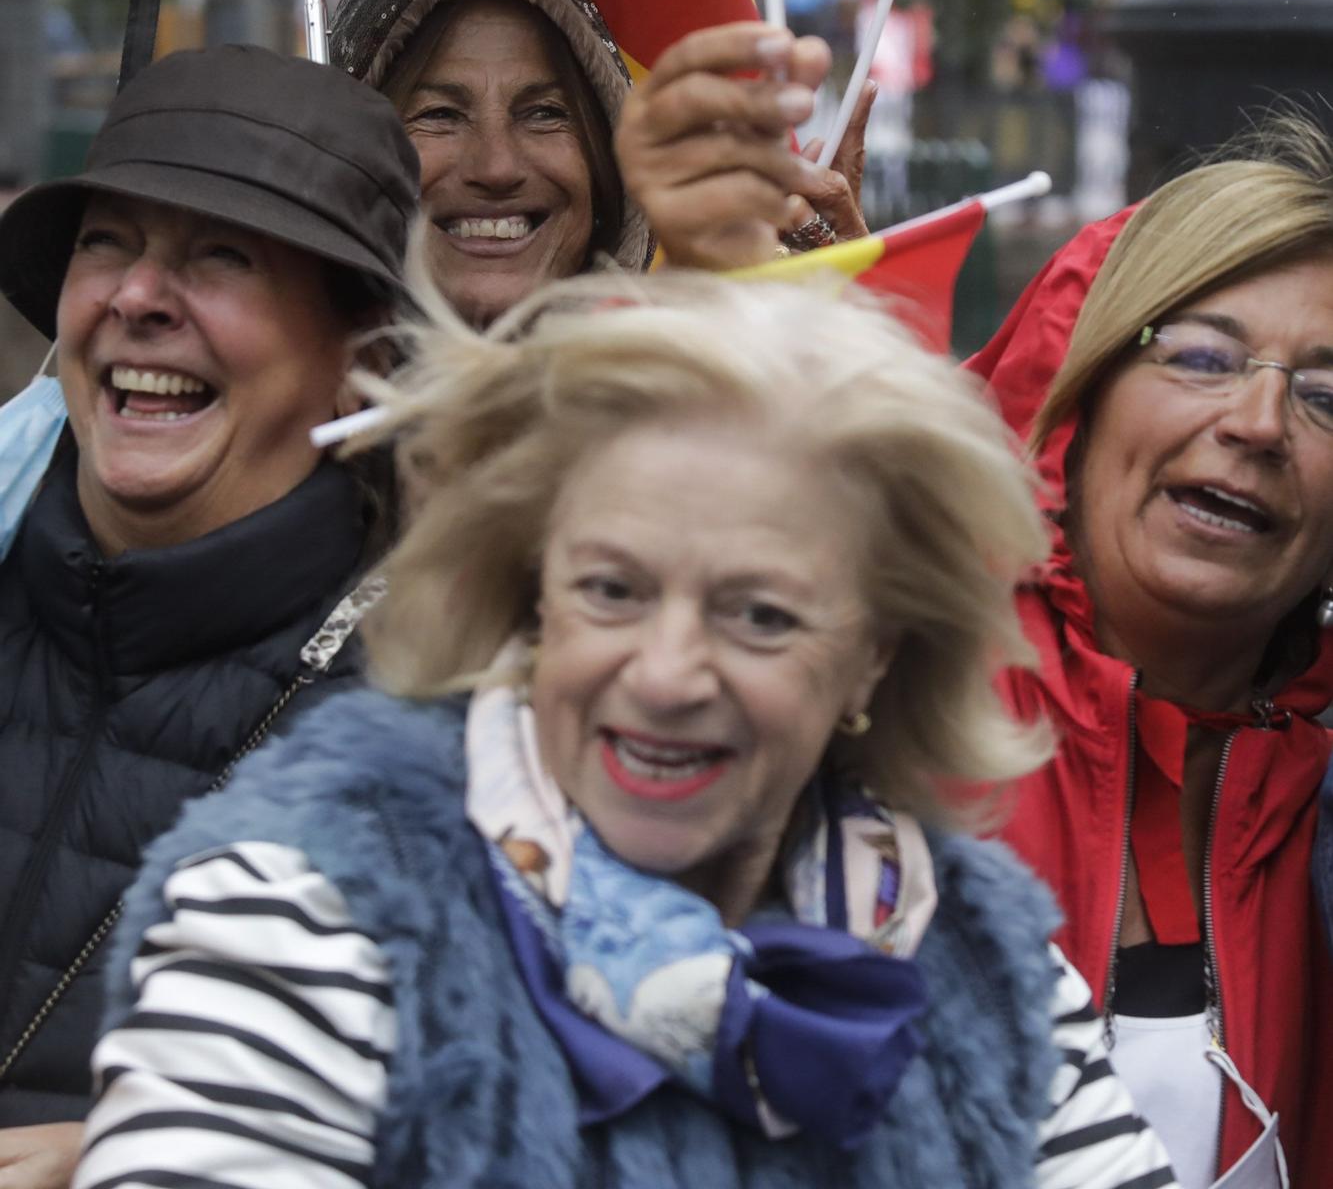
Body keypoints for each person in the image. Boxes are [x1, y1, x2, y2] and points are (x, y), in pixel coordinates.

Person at [75, 277, 1176, 1189]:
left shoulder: (982, 970)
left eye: (760, 614)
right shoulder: (312, 905)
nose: (664, 673)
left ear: (876, 652)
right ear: (530, 596)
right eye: (612, 588)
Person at [0, 46, 418, 1181]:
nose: (138, 296)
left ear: (361, 361)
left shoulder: (436, 719)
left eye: (221, 255)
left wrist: (160, 1150)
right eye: (108, 241)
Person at [969, 118, 1333, 1188]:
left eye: (1328, 395)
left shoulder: (1323, 804)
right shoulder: (879, 695)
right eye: (1202, 354)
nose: (1260, 420)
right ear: (1073, 395)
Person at [329, 0, 871, 316]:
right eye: (439, 116)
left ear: (606, 161)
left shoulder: (709, 408)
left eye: (544, 113)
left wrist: (835, 336)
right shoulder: (279, 418)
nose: (496, 167)